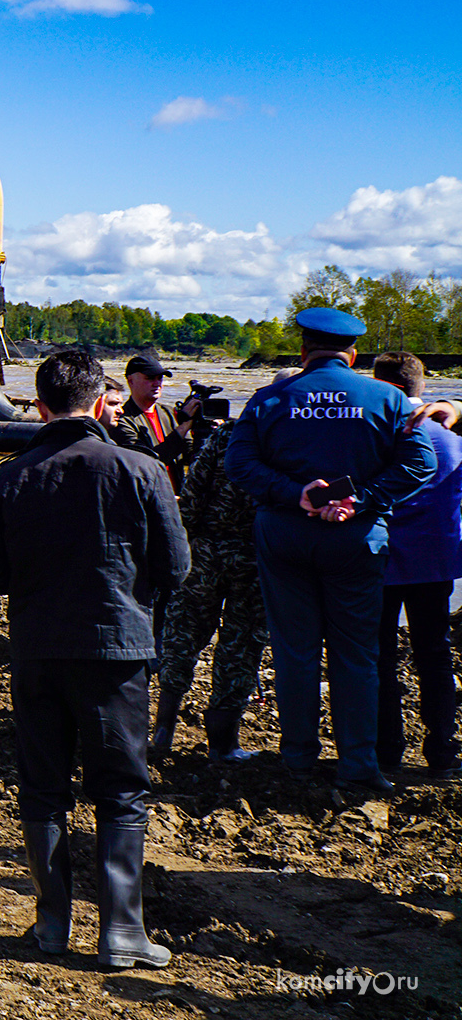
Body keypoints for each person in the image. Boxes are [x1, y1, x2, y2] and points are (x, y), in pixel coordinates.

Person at [0, 349, 189, 970]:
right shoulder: (141, 469)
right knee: (121, 789)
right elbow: (177, 568)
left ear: (38, 408)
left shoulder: (9, 477)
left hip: (38, 649)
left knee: (43, 786)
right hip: (116, 652)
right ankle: (121, 931)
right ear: (100, 402)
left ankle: (51, 924)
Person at [224, 309, 435, 796]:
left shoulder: (270, 397)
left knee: (295, 650)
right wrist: (362, 498)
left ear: (303, 351)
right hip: (356, 539)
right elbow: (420, 463)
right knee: (357, 652)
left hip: (285, 534)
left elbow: (239, 463)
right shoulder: (389, 399)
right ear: (354, 353)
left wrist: (293, 493)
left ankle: (297, 757)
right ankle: (358, 764)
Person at [152, 392, 268, 763]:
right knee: (240, 644)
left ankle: (163, 730)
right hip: (253, 558)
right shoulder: (287, 441)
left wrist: (189, 542)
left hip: (206, 551)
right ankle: (223, 744)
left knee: (183, 635)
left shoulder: (225, 436)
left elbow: (193, 491)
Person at [371, 352, 462, 781]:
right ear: (420, 386)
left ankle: (387, 749)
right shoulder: (450, 434)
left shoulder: (376, 428)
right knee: (435, 653)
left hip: (382, 557)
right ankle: (441, 750)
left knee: (380, 656)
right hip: (435, 556)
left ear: (379, 382)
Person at [109, 355, 199, 487]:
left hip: (175, 494)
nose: (157, 383)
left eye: (160, 378)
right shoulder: (121, 420)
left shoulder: (169, 413)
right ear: (131, 381)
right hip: (145, 497)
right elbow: (146, 463)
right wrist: (183, 427)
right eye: (149, 378)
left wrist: (208, 434)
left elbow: (190, 454)